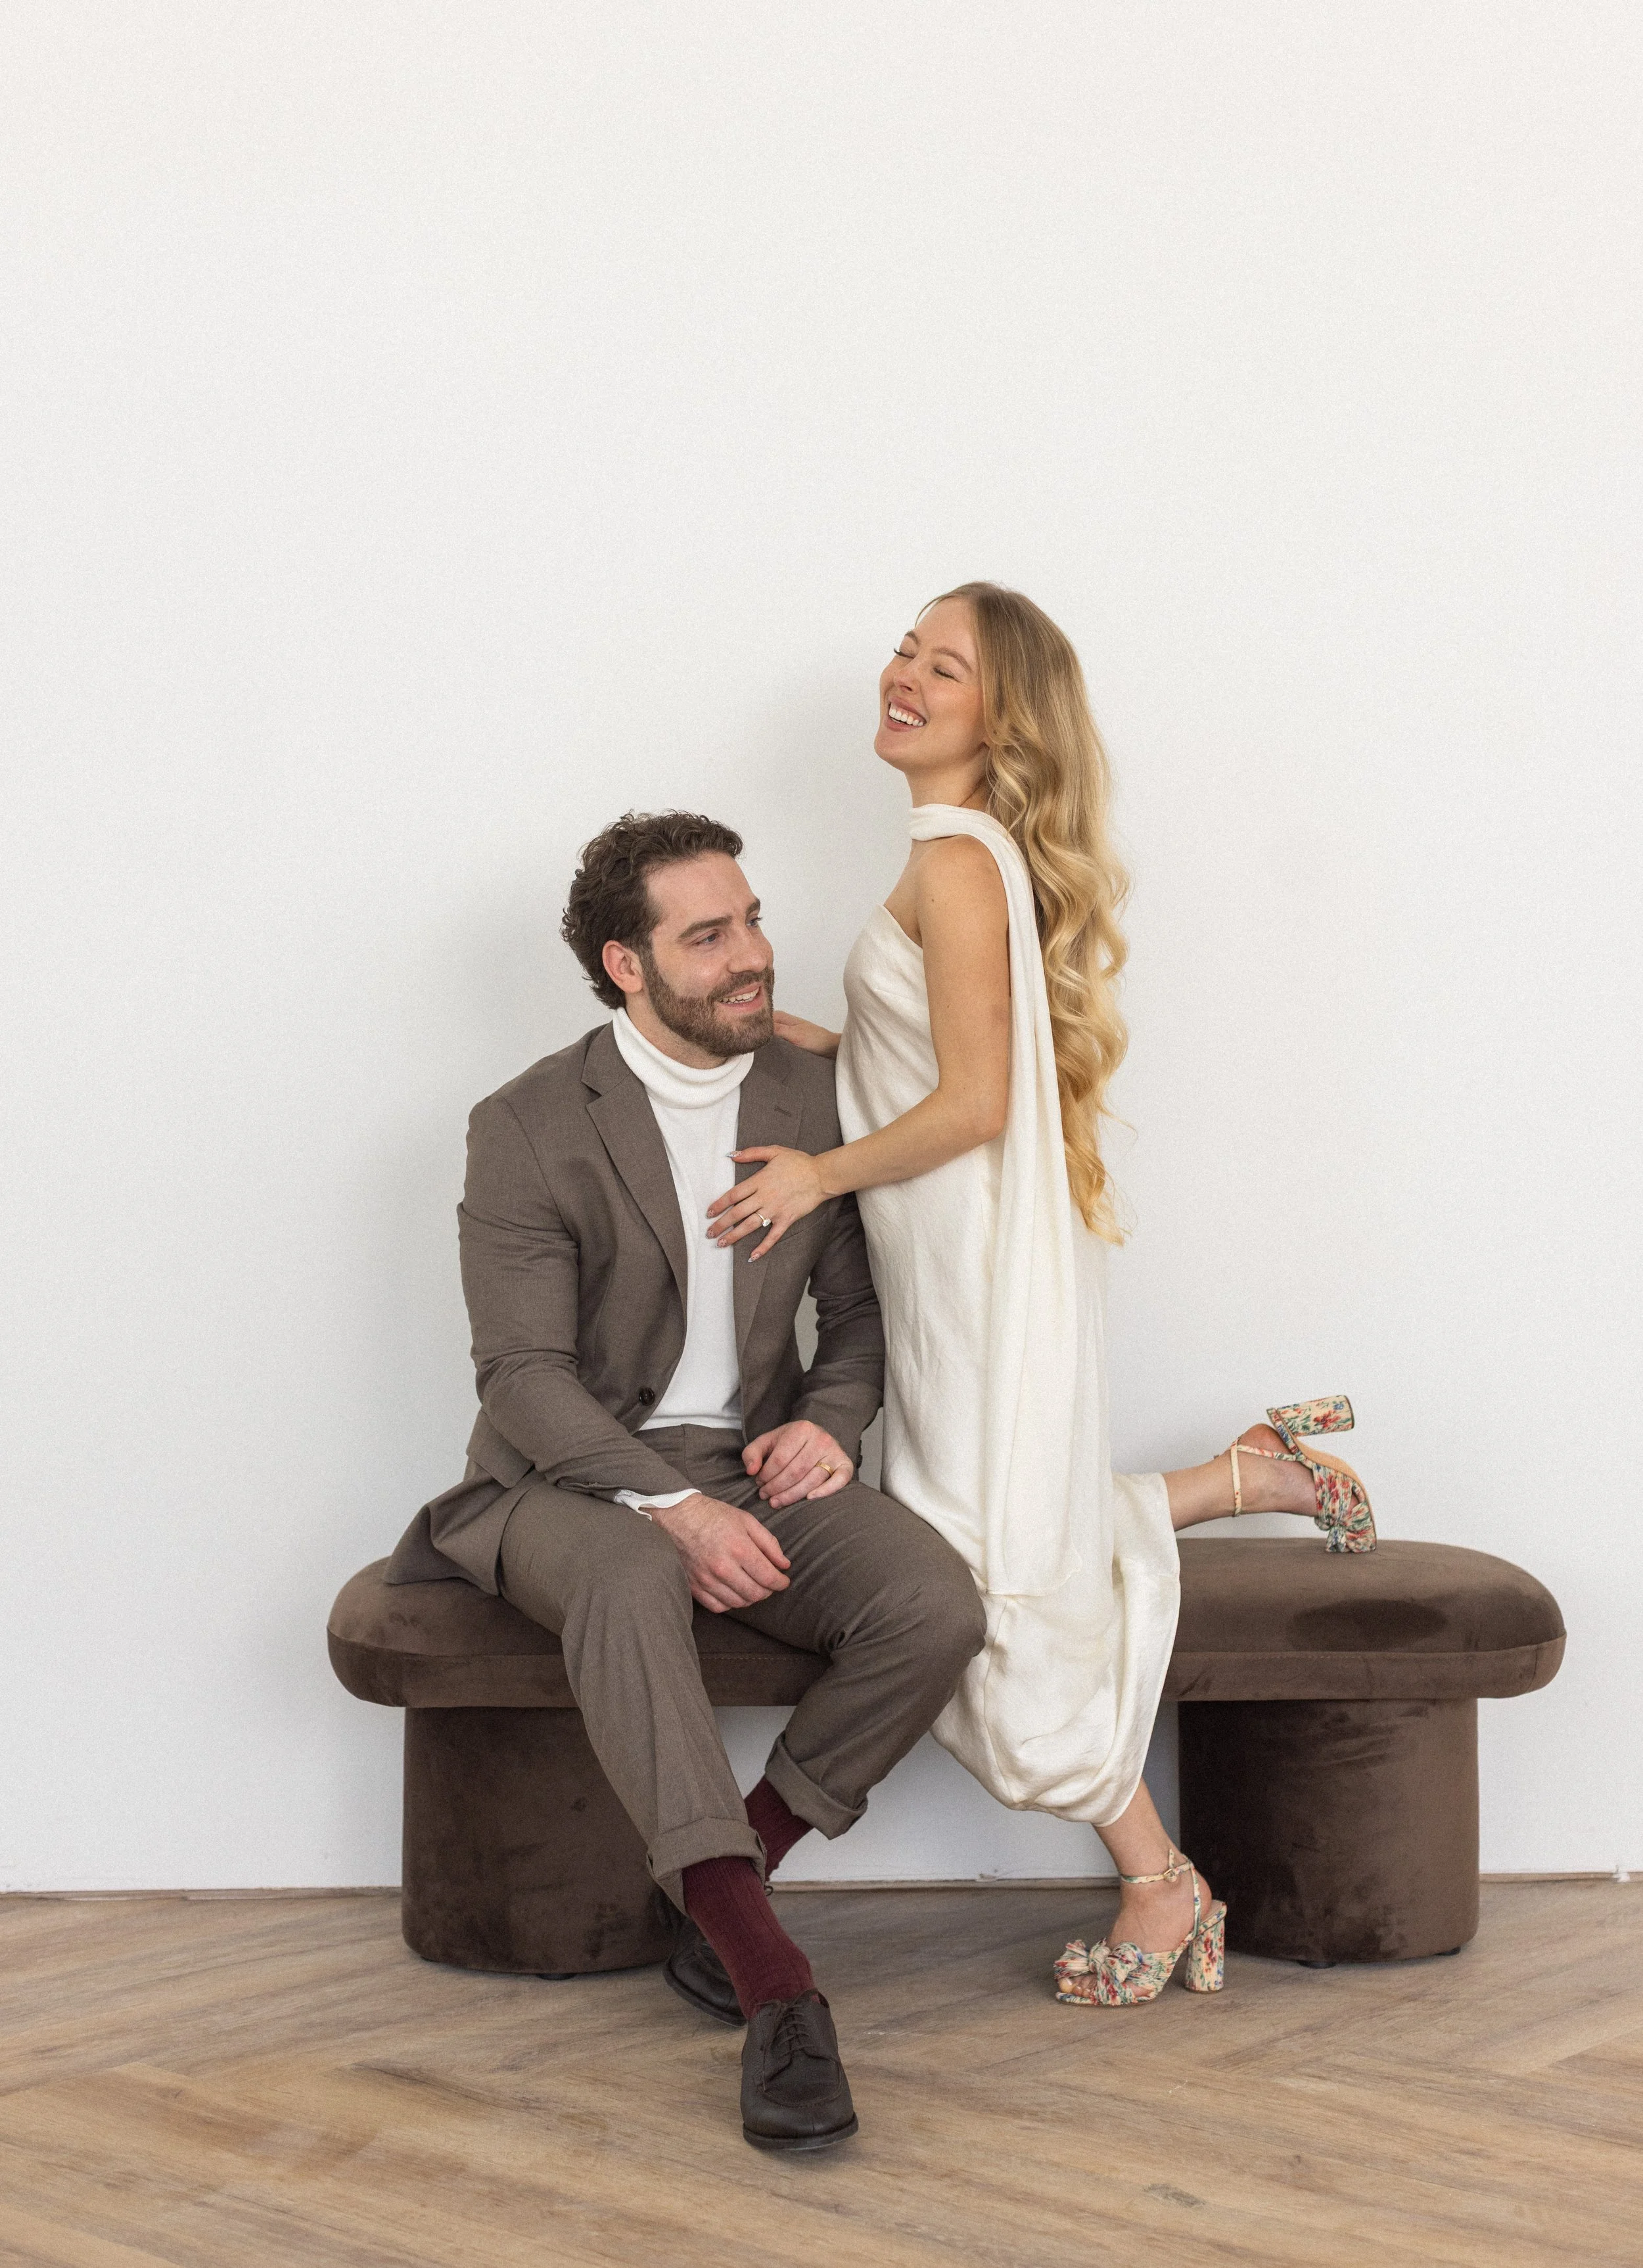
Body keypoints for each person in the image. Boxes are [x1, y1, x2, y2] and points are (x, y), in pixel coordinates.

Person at [706, 583, 1374, 2007]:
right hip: (951, 1259)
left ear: (999, 715)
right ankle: (1247, 1472)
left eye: (942, 666)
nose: (902, 674)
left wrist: (817, 1176)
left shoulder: (958, 863)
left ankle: (1160, 1878)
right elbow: (923, 1054)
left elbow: (972, 1104)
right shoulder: (950, 851)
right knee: (999, 1532)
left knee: (987, 1585)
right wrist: (785, 1036)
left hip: (975, 1268)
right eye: (905, 647)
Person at [386, 809, 984, 2148]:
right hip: (560, 1482)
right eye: (707, 936)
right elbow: (521, 1376)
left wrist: (831, 1422)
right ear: (627, 964)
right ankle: (778, 1990)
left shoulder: (808, 1097)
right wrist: (674, 1505)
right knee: (627, 1578)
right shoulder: (527, 1123)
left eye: (752, 920)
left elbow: (859, 1315)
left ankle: (727, 1893)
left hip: (755, 1461)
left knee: (932, 1604)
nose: (751, 954)